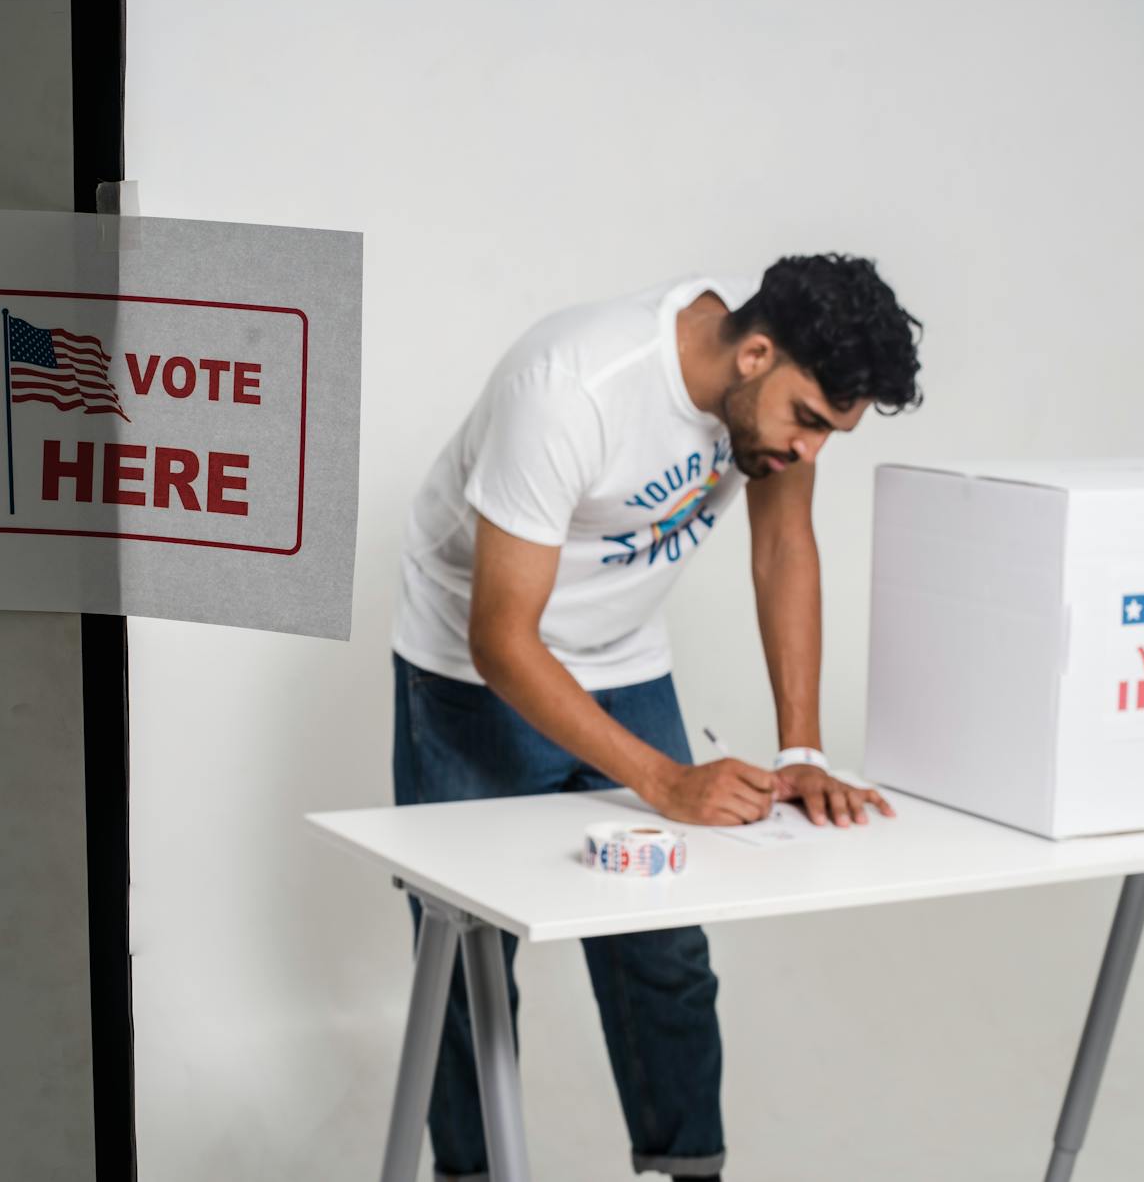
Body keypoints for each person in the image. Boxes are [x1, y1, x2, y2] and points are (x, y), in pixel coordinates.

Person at [390, 254, 923, 1180]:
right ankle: (470, 1173)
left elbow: (785, 544)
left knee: (666, 953)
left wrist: (801, 745)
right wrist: (666, 781)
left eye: (833, 433)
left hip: (624, 656)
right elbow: (504, 641)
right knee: (469, 971)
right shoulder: (571, 388)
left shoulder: (773, 412)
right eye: (808, 420)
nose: (808, 451)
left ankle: (688, 1174)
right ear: (755, 353)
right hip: (473, 670)